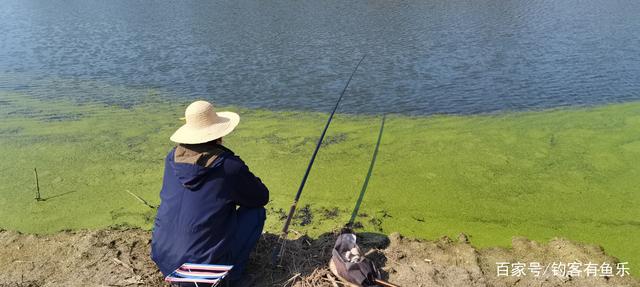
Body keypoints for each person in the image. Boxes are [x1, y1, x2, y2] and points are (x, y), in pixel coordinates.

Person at [151, 100, 269, 287]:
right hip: (200, 275)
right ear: (219, 135)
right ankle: (232, 276)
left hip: (164, 259)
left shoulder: (171, 158)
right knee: (256, 213)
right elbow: (260, 197)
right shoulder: (228, 166)